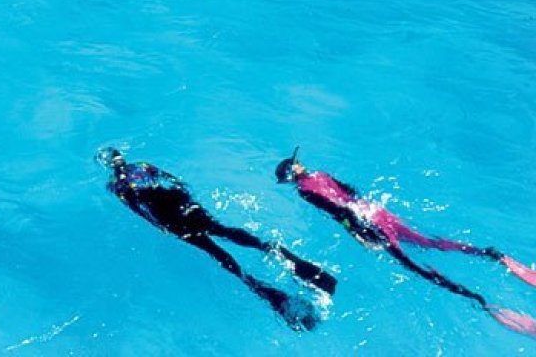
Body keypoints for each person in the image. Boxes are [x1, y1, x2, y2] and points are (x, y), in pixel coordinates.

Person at [275, 147, 536, 338]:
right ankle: (488, 254)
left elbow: (338, 212)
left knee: (415, 267)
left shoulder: (304, 191)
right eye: (296, 163)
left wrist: (357, 233)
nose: (300, 164)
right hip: (376, 211)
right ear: (295, 170)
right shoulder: (320, 174)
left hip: (367, 223)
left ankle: (478, 300)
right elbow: (352, 193)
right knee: (427, 242)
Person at [97, 147, 336, 331]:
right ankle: (271, 249)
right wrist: (190, 201)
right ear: (122, 158)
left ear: (109, 165)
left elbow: (140, 210)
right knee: (221, 229)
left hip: (166, 215)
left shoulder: (116, 186)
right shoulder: (142, 165)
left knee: (215, 252)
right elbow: (175, 181)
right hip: (180, 202)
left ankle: (255, 284)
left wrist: (161, 227)